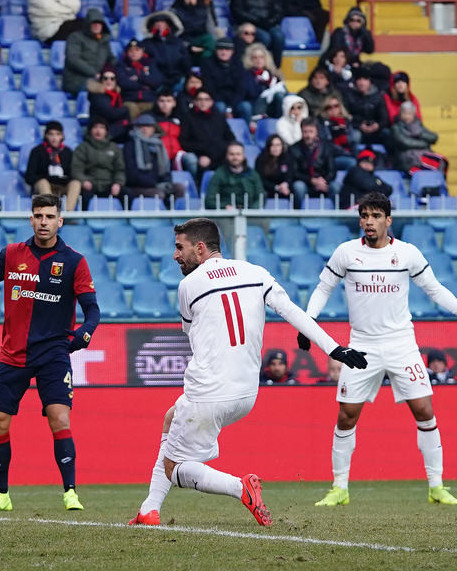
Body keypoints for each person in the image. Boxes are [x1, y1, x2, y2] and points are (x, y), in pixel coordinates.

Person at [128, 218, 368, 527]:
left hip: (209, 392)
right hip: (246, 394)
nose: (175, 255)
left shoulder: (189, 285)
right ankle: (148, 510)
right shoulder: (256, 273)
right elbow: (291, 310)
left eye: (179, 247)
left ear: (200, 249)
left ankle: (240, 487)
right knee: (171, 417)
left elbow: (190, 335)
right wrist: (336, 349)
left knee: (173, 468)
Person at [0, 194, 99, 512]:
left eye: (49, 216)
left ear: (60, 221)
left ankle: (70, 492)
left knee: (59, 417)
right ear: (31, 220)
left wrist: (86, 331)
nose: (43, 221)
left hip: (54, 353)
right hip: (12, 353)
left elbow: (92, 309)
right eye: (38, 216)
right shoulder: (13, 254)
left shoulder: (73, 261)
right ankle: (1, 495)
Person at [302, 193, 457, 507]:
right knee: (346, 416)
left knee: (425, 411)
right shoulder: (346, 253)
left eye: (375, 216)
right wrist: (309, 321)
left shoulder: (407, 253)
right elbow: (323, 288)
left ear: (388, 219)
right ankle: (339, 489)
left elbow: (435, 289)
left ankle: (437, 487)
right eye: (364, 215)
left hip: (402, 344)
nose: (368, 222)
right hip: (362, 347)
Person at [230, 0, 285, 66]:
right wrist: (259, 21)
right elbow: (238, 13)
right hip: (250, 25)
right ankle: (260, 65)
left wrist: (270, 22)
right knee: (265, 38)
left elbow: (278, 11)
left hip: (269, 24)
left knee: (279, 36)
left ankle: (276, 66)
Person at [23, 121, 81, 212]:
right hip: (44, 186)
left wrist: (62, 178)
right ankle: (52, 213)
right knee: (43, 182)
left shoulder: (67, 152)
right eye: (51, 134)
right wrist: (48, 178)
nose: (54, 138)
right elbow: (29, 177)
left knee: (76, 183)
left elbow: (72, 174)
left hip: (62, 186)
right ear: (46, 135)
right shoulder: (37, 151)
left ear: (62, 136)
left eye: (58, 134)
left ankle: (68, 214)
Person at [180, 88, 237, 176]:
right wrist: (201, 153)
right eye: (200, 99)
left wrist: (218, 152)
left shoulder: (219, 117)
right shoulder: (188, 118)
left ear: (211, 102)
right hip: (200, 155)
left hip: (220, 154)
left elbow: (230, 138)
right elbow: (184, 142)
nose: (203, 102)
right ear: (194, 102)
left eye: (206, 99)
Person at [71, 117, 126, 204]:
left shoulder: (114, 148)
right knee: (83, 198)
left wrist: (118, 183)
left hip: (110, 185)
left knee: (127, 195)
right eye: (95, 127)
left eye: (101, 127)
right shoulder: (82, 148)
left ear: (106, 131)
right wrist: (84, 181)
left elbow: (120, 169)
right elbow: (76, 169)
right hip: (90, 185)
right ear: (90, 130)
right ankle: (82, 218)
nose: (98, 130)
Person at [122, 113, 175, 203]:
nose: (145, 128)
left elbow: (165, 170)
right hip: (138, 187)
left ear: (153, 129)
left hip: (157, 184)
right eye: (141, 126)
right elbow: (131, 174)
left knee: (180, 189)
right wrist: (154, 184)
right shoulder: (130, 145)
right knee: (158, 194)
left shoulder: (159, 145)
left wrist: (166, 182)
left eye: (148, 126)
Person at [62, 8, 112, 96]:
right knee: (104, 90)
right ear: (88, 24)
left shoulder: (104, 41)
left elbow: (111, 59)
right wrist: (93, 73)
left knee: (119, 88)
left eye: (99, 23)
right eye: (94, 23)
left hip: (99, 79)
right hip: (76, 80)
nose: (97, 25)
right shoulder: (75, 37)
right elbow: (73, 59)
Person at [391, 101, 447, 175]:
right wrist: (425, 143)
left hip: (422, 155)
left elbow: (434, 137)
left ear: (414, 115)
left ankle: (437, 184)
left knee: (441, 160)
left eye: (409, 114)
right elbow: (405, 142)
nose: (407, 116)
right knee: (420, 163)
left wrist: (420, 134)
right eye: (404, 113)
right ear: (400, 114)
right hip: (407, 158)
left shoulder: (418, 126)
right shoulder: (396, 127)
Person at [204, 142, 265, 210]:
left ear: (243, 156)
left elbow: (261, 197)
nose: (235, 157)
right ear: (227, 156)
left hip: (250, 214)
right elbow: (209, 201)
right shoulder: (219, 174)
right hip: (226, 215)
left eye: (238, 154)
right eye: (232, 154)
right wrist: (224, 207)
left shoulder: (253, 174)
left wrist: (251, 210)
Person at [289, 117, 336, 201]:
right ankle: (298, 214)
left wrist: (323, 181)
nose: (308, 135)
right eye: (305, 132)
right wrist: (311, 180)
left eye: (311, 131)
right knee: (298, 186)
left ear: (316, 132)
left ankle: (338, 214)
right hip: (305, 183)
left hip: (323, 182)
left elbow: (332, 171)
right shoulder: (294, 149)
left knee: (336, 187)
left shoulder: (326, 147)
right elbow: (294, 173)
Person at [141, 11, 190, 93]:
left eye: (163, 23)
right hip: (157, 81)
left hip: (177, 79)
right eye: (156, 24)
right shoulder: (146, 43)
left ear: (168, 26)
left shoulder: (178, 43)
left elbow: (186, 62)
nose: (159, 26)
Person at [116, 38, 164, 105]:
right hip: (129, 101)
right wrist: (143, 86)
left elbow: (157, 81)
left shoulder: (150, 64)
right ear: (126, 53)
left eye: (137, 49)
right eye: (130, 50)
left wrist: (139, 77)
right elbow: (123, 83)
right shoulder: (122, 65)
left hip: (150, 100)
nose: (134, 53)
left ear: (142, 52)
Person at [255, 133, 296, 202]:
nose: (275, 148)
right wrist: (276, 187)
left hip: (285, 189)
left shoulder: (288, 158)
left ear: (282, 146)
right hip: (268, 189)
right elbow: (260, 179)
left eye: (278, 145)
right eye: (272, 145)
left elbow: (290, 175)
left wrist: (286, 184)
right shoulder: (261, 159)